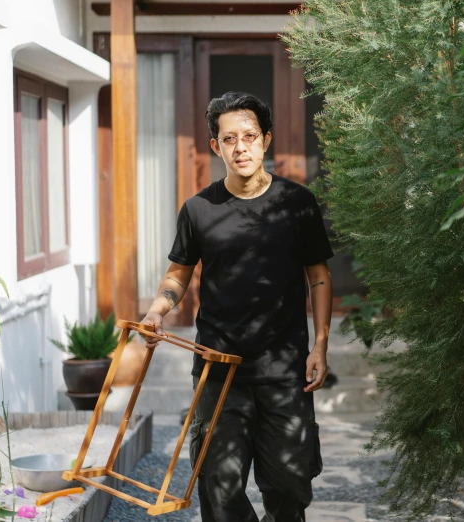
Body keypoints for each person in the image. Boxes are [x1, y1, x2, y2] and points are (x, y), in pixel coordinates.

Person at [139, 91, 333, 522]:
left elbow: (318, 275)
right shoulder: (198, 209)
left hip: (285, 373)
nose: (240, 147)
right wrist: (158, 310)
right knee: (220, 492)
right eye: (229, 139)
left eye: (249, 136)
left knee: (288, 490)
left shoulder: (296, 203)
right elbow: (178, 274)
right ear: (216, 146)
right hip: (217, 371)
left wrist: (319, 345)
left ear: (266, 140)